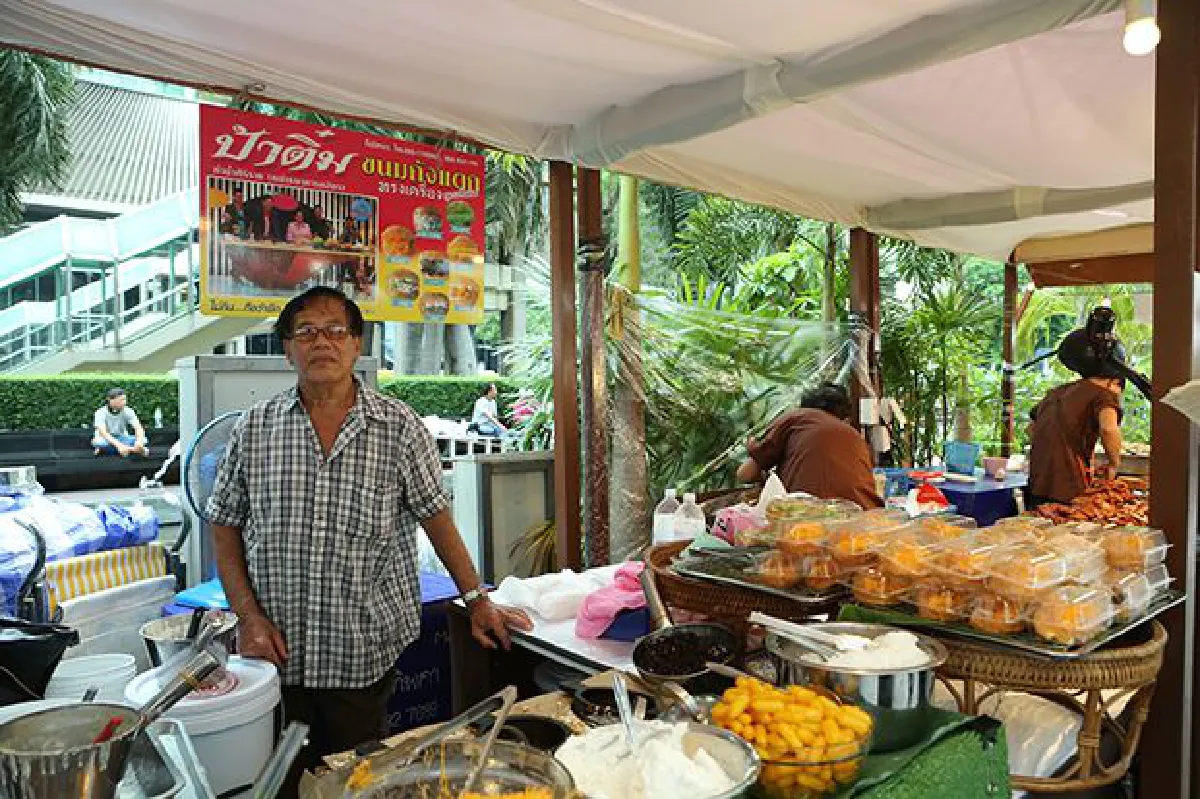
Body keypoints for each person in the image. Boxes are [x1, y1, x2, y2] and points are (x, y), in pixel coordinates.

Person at [206, 287, 531, 796]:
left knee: (357, 780)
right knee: (279, 782)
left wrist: (477, 599)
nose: (322, 342)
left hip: (361, 648)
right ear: (287, 348)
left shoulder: (397, 426)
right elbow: (223, 524)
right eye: (306, 332)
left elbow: (435, 518)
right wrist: (248, 617)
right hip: (274, 652)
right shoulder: (254, 428)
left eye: (336, 331)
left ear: (357, 345)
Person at [736, 383, 883, 509]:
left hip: (805, 521)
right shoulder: (854, 435)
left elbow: (745, 474)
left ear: (804, 406)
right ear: (845, 416)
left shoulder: (795, 418)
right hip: (865, 518)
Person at [1027, 373, 1124, 507]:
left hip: (1037, 483)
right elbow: (1108, 429)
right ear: (1115, 382)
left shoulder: (1056, 392)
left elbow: (1031, 429)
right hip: (1069, 487)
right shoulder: (1104, 394)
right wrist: (1114, 464)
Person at [92, 388, 149, 457]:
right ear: (111, 401)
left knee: (144, 440)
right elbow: (104, 433)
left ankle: (125, 450)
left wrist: (139, 441)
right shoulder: (100, 412)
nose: (124, 402)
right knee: (98, 443)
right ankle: (133, 450)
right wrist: (119, 446)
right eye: (121, 400)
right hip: (105, 439)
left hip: (122, 438)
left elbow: (138, 427)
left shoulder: (128, 411)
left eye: (125, 399)